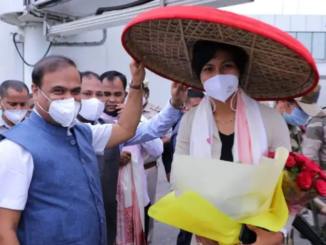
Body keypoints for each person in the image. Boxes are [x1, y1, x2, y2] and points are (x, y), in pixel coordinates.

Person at [0, 55, 146, 245]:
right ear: (35, 91)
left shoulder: (81, 133)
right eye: (58, 91)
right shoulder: (15, 148)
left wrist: (136, 83)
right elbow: (5, 231)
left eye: (75, 91)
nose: (68, 99)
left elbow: (126, 129)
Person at [172, 41, 291, 245]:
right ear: (200, 76)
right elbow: (179, 179)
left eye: (227, 66)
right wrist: (200, 228)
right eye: (209, 68)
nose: (218, 75)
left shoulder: (270, 119)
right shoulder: (190, 121)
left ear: (239, 71)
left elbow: (289, 183)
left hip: (261, 235)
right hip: (207, 236)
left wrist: (279, 233)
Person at [78, 70, 185, 244]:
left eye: (99, 94)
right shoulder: (69, 128)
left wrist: (174, 104)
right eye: (87, 94)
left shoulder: (105, 128)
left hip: (116, 204)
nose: (98, 99)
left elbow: (153, 131)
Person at [171, 88, 205, 245]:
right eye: (196, 107)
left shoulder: (206, 128)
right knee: (187, 232)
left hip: (205, 191)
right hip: (189, 190)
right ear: (185, 108)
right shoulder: (182, 130)